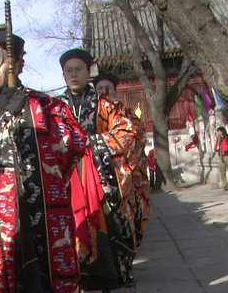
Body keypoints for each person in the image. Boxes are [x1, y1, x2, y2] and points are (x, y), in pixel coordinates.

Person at [0, 31, 87, 292]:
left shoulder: (45, 107)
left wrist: (30, 126)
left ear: (17, 65)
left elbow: (74, 144)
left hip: (34, 215)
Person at [57, 49, 140, 292]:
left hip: (102, 180)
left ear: (88, 72)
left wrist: (91, 143)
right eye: (68, 71)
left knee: (107, 229)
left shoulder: (107, 106)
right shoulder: (53, 108)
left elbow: (128, 133)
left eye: (78, 69)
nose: (74, 75)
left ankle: (105, 281)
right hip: (67, 182)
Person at [93, 71, 150, 254]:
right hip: (101, 177)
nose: (104, 92)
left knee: (130, 219)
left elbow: (137, 139)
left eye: (107, 88)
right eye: (99, 89)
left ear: (115, 90)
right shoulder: (93, 115)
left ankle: (128, 260)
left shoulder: (127, 114)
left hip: (129, 175)